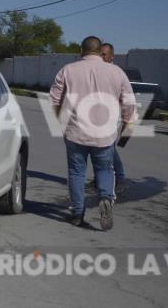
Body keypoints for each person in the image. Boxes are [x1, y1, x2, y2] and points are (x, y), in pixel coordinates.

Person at [49, 36, 135, 230]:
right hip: (104, 135)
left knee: (77, 172)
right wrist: (127, 125)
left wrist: (61, 122)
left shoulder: (67, 70)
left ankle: (77, 213)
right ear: (99, 51)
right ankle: (105, 198)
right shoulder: (116, 72)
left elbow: (54, 100)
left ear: (81, 50)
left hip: (75, 133)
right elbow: (129, 103)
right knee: (105, 169)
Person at [100, 43, 128, 194]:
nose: (101, 57)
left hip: (112, 116)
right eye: (100, 54)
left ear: (111, 57)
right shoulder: (99, 70)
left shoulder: (116, 72)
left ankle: (121, 177)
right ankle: (101, 178)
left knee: (108, 148)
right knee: (102, 148)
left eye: (104, 55)